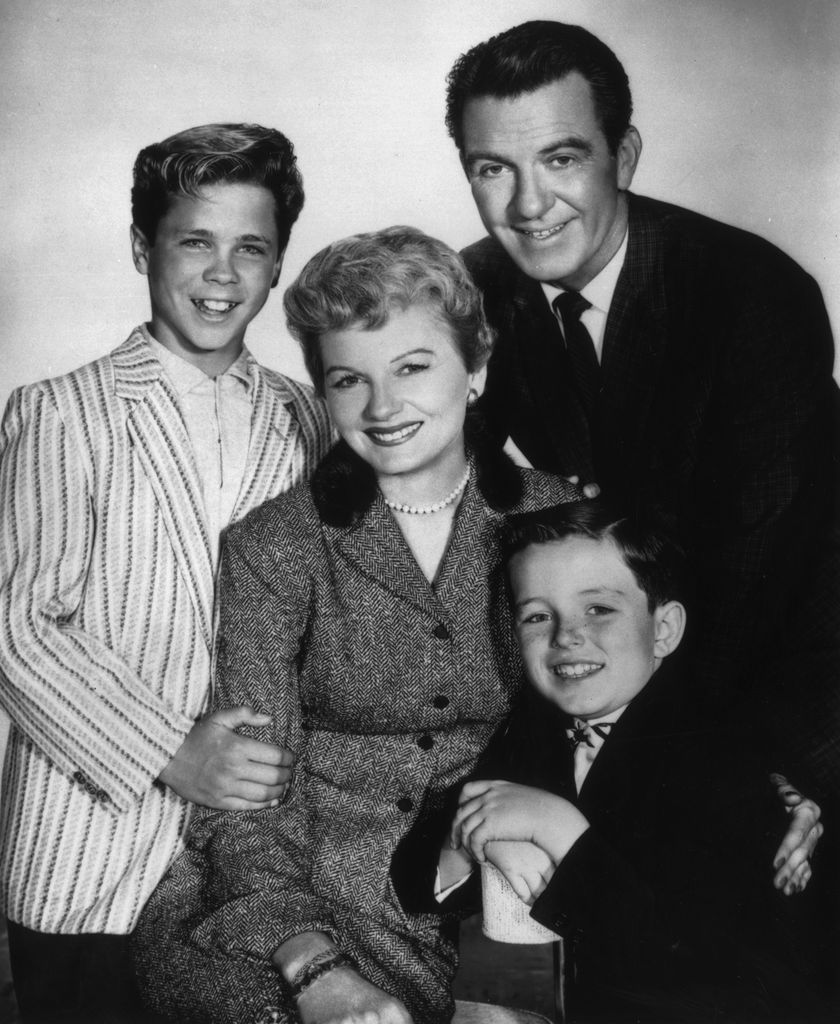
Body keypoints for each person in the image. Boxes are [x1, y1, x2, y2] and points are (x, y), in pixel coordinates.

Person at [130, 226, 579, 1024]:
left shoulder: (563, 519)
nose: (382, 407)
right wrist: (318, 970)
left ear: (475, 368)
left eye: (412, 367)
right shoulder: (274, 547)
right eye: (348, 380)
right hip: (306, 890)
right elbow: (247, 795)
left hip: (498, 880)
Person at [444, 21, 840, 816]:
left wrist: (631, 772)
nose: (528, 205)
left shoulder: (750, 294)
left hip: (800, 667)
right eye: (495, 168)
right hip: (626, 664)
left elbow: (761, 575)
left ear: (622, 157)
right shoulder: (473, 292)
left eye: (561, 159)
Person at [0, 123, 333, 1022]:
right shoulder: (62, 412)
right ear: (144, 245)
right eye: (195, 241)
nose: (223, 275)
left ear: (277, 266)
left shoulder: (308, 418)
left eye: (251, 249)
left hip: (250, 865)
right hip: (90, 861)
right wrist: (170, 751)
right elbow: (19, 626)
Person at [395, 500, 831, 1021]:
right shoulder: (531, 733)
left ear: (664, 629)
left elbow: (695, 972)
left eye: (598, 608)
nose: (565, 636)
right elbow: (419, 882)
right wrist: (466, 842)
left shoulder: (721, 764)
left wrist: (562, 834)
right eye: (537, 616)